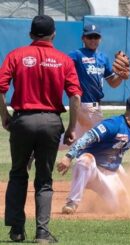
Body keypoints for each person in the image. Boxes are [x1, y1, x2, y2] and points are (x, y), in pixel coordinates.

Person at [0, 15, 82, 243]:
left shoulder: (15, 55)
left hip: (23, 120)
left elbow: (0, 87)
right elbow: (75, 96)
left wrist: (4, 115)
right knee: (44, 179)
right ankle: (42, 233)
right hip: (51, 122)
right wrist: (72, 128)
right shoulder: (64, 60)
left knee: (18, 173)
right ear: (53, 34)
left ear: (30, 35)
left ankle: (16, 230)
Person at [57, 94, 130, 214]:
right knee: (85, 160)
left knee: (123, 208)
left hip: (109, 174)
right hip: (92, 170)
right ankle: (72, 203)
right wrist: (69, 156)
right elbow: (88, 137)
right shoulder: (113, 124)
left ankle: (97, 203)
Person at [59, 23, 130, 150]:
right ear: (83, 38)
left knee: (73, 138)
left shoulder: (103, 58)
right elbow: (61, 70)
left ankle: (43, 147)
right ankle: (111, 167)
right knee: (104, 138)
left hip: (92, 107)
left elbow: (113, 83)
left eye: (96, 37)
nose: (93, 40)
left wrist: (120, 76)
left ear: (100, 39)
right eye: (89, 37)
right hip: (85, 105)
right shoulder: (76, 55)